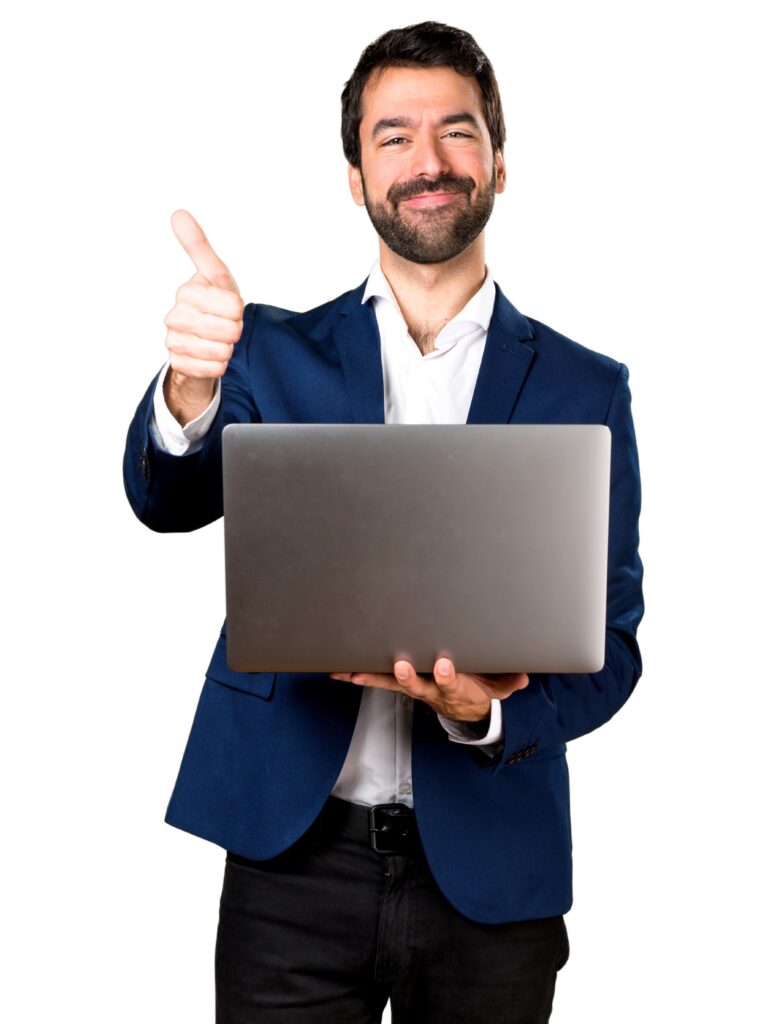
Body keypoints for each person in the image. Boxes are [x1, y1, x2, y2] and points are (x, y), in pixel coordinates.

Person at [123, 20, 644, 1024]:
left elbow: (612, 649)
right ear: (356, 178)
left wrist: (481, 712)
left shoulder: (587, 388)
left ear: (499, 162)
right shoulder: (265, 351)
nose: (429, 161)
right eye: (392, 136)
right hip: (293, 863)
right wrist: (192, 383)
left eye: (457, 131)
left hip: (493, 876)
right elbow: (165, 502)